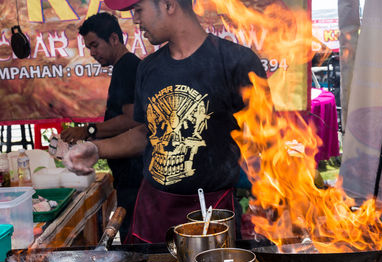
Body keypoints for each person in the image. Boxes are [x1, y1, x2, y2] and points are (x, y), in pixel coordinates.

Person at [63, 0, 266, 243]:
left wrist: (266, 200)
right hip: (154, 209)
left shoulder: (237, 62)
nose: (135, 20)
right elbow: (144, 134)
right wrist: (97, 148)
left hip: (213, 211)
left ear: (169, 4)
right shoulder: (149, 68)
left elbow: (262, 140)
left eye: (138, 10)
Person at [60, 12, 143, 241]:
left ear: (114, 39)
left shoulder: (127, 67)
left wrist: (88, 130)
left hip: (135, 174)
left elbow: (132, 120)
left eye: (95, 45)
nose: (92, 53)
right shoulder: (124, 66)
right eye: (89, 48)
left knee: (132, 240)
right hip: (130, 172)